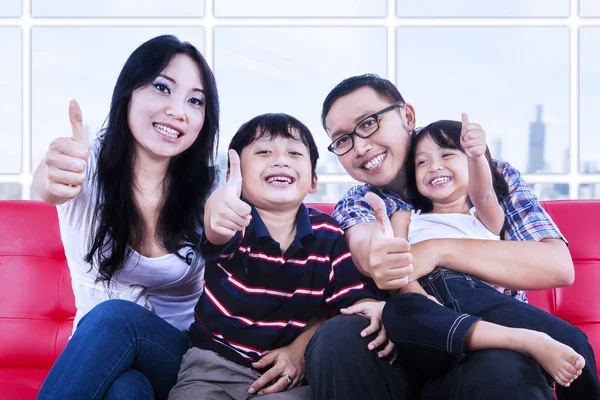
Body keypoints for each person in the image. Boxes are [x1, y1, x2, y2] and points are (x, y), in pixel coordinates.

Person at [34, 36, 299, 400]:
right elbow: (49, 183)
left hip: (181, 359)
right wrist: (51, 175)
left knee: (115, 318)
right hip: (100, 355)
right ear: (128, 92)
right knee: (127, 391)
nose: (179, 110)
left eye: (195, 101)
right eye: (162, 88)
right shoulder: (85, 165)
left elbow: (243, 245)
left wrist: (223, 224)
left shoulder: (210, 189)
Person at [304, 73, 598, 400]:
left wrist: (436, 250)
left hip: (490, 343)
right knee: (341, 335)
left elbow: (556, 266)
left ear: (407, 116)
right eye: (343, 139)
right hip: (400, 350)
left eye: (369, 123)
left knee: (509, 365)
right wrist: (390, 272)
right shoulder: (362, 201)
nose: (360, 147)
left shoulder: (485, 176)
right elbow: (371, 250)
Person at [168, 113, 390, 399]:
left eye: (295, 153)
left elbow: (348, 301)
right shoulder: (235, 221)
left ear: (313, 181)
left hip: (292, 378)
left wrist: (373, 306)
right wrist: (219, 210)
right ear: (233, 177)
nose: (280, 160)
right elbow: (217, 229)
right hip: (213, 368)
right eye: (263, 151)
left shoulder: (329, 234)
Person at [387, 117, 596, 395]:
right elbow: (402, 269)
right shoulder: (406, 217)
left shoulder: (485, 217)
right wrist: (421, 298)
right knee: (400, 309)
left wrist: (476, 156)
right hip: (432, 300)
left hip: (481, 297)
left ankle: (532, 344)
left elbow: (482, 192)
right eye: (421, 162)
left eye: (447, 154)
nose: (434, 166)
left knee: (574, 340)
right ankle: (521, 340)